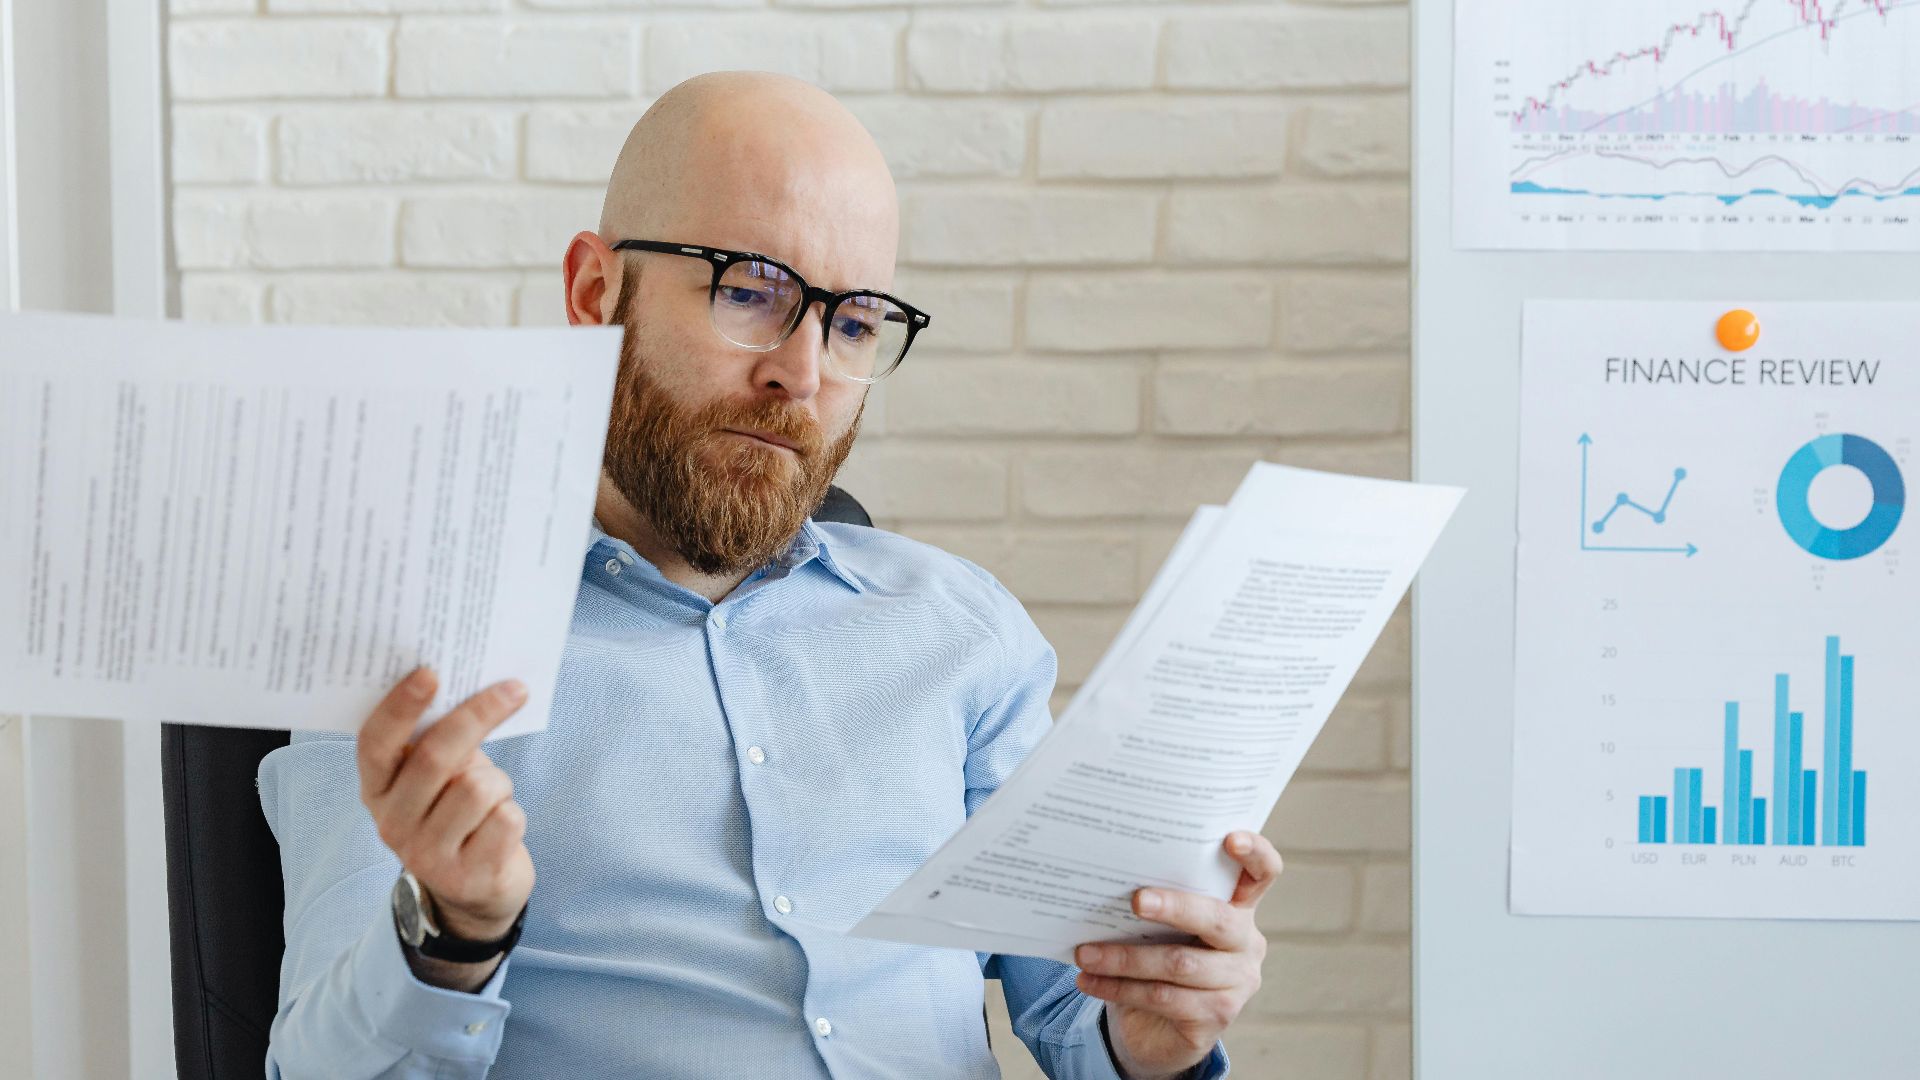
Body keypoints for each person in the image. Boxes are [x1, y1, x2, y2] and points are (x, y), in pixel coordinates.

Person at [259, 70, 1276, 1080]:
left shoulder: (964, 632)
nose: (804, 370)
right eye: (749, 291)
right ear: (592, 293)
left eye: (855, 322)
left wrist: (1156, 1043)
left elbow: (1084, 1015)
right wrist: (454, 932)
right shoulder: (418, 649)